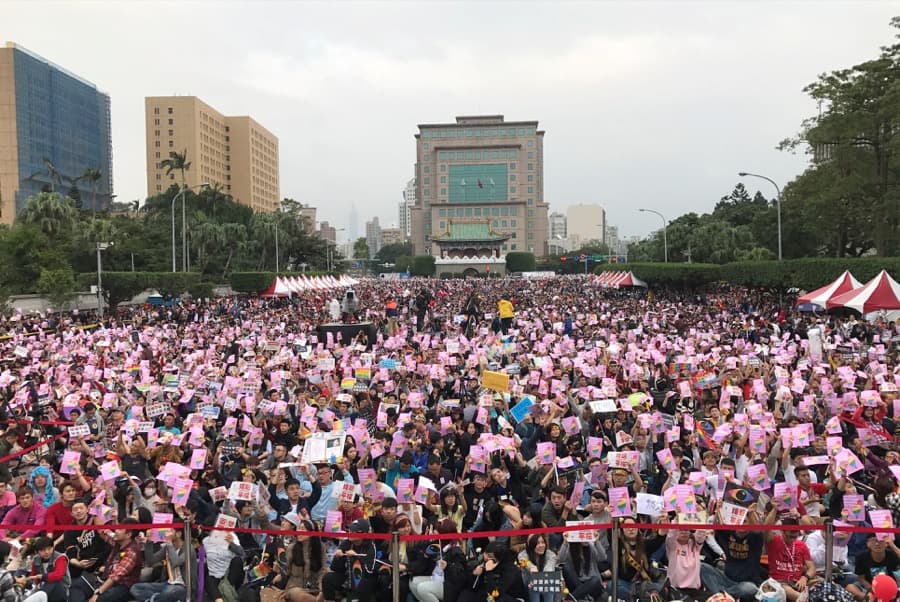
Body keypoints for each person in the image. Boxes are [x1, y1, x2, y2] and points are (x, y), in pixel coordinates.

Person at [321, 519, 387, 602]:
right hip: (347, 577)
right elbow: (336, 569)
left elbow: (370, 570)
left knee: (362, 582)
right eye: (350, 529)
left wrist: (356, 557)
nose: (351, 532)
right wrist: (338, 558)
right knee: (328, 578)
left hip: (366, 578)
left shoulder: (370, 545)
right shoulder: (346, 543)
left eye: (355, 531)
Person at [129, 527, 194, 602]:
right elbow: (150, 561)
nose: (167, 533)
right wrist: (149, 543)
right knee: (135, 588)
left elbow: (176, 563)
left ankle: (155, 599)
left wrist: (169, 543)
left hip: (183, 586)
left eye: (171, 531)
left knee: (169, 592)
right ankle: (158, 599)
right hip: (168, 583)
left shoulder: (188, 548)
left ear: (178, 534)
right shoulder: (167, 547)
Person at [24, 536, 70, 602]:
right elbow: (33, 575)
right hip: (42, 587)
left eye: (49, 549)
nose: (47, 552)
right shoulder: (36, 559)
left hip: (60, 589)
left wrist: (42, 577)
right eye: (43, 550)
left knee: (53, 583)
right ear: (37, 552)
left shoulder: (60, 558)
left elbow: (58, 575)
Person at [518, 534, 559, 602]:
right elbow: (528, 565)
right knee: (534, 579)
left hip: (546, 583)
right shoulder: (522, 555)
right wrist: (532, 569)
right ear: (531, 544)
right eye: (537, 543)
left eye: (543, 542)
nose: (541, 545)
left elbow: (549, 569)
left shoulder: (550, 554)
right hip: (529, 584)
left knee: (549, 580)